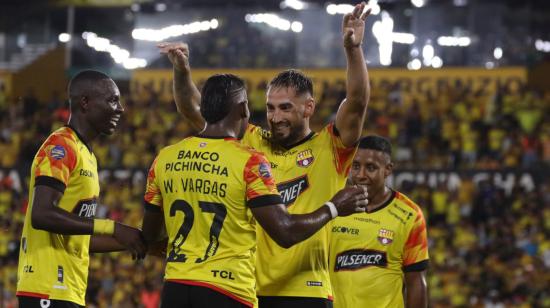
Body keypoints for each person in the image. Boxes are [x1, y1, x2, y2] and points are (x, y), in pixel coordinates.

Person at [158, 3, 371, 307]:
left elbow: (358, 100)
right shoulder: (250, 142)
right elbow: (195, 110)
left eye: (285, 107)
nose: (275, 116)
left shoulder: (331, 147)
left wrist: (353, 49)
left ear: (308, 108)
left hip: (306, 291)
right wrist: (182, 71)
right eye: (270, 107)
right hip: (250, 290)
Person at [16, 70, 146, 308]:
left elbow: (79, 237)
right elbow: (41, 214)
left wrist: (136, 240)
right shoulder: (61, 146)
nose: (121, 108)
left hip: (67, 291)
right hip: (47, 289)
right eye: (113, 100)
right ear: (85, 102)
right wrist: (112, 226)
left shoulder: (87, 154)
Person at [329, 136, 429, 308]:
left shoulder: (410, 215)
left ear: (388, 169)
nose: (361, 175)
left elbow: (416, 281)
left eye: (371, 167)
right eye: (355, 166)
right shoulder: (334, 206)